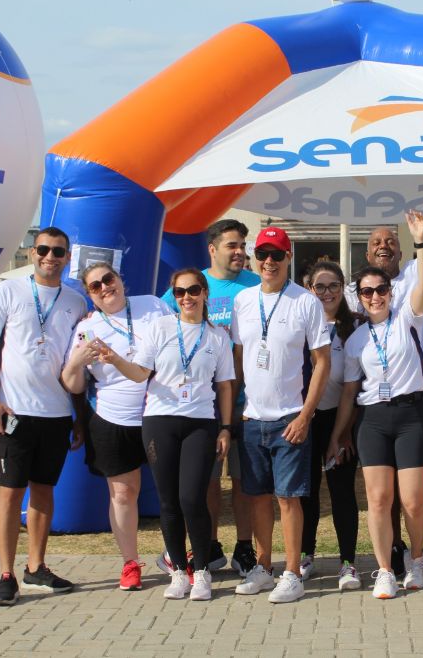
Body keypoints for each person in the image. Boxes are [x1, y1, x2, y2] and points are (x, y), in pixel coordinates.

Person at [344, 149, 423, 582]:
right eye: (376, 242)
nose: (383, 246)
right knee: (383, 490)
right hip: (374, 401)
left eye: (389, 241)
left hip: (419, 394)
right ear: (367, 253)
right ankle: (392, 555)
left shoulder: (417, 272)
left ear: (400, 249)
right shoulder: (355, 293)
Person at [100, 268, 234, 601]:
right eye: (179, 292)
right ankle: (178, 572)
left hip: (200, 423)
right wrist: (114, 359)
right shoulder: (160, 328)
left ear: (204, 293)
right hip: (160, 421)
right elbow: (139, 373)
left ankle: (201, 571)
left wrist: (226, 428)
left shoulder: (217, 336)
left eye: (193, 290)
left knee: (192, 498)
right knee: (168, 501)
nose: (186, 298)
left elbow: (225, 386)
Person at [0, 226, 88, 606]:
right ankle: (6, 574)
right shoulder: (8, 291)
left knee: (44, 489)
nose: (49, 257)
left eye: (57, 251)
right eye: (43, 249)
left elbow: (76, 364)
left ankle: (36, 566)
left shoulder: (76, 302)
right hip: (14, 412)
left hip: (56, 413)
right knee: (10, 492)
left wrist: (79, 416)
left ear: (67, 258)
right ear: (31, 252)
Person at [331, 210, 423, 600]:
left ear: (391, 293)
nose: (375, 297)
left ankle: (417, 560)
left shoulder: (409, 319)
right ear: (359, 297)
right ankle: (385, 570)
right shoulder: (356, 340)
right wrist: (339, 434)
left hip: (410, 416)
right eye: (367, 292)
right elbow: (348, 394)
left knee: (413, 500)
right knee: (377, 499)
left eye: (381, 291)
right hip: (372, 420)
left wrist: (420, 241)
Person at [231, 226, 331, 603]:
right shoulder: (243, 300)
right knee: (257, 496)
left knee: (288, 499)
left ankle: (292, 573)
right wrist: (240, 407)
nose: (269, 262)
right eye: (263, 254)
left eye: (277, 255)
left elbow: (322, 362)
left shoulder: (305, 302)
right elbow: (239, 358)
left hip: (290, 418)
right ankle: (263, 567)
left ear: (289, 257)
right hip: (252, 419)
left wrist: (306, 415)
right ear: (255, 258)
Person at [159, 219, 261, 577]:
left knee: (245, 481)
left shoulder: (256, 284)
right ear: (212, 249)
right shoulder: (192, 285)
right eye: (233, 245)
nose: (240, 252)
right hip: (200, 407)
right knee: (206, 481)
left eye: (243, 245)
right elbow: (153, 321)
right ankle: (210, 545)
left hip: (247, 402)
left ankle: (244, 547)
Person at [60, 263, 170, 592]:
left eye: (108, 279)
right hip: (113, 419)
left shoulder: (152, 305)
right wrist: (76, 362)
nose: (105, 287)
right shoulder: (87, 329)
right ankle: (130, 563)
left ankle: (175, 557)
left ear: (120, 278)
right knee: (123, 493)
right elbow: (74, 384)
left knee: (172, 490)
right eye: (95, 286)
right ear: (90, 295)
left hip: (161, 414)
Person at [299, 261, 361, 591]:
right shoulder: (300, 325)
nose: (327, 293)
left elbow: (355, 388)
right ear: (309, 290)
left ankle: (348, 562)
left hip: (341, 419)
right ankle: (305, 555)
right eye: (320, 287)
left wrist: (343, 432)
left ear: (342, 288)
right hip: (304, 420)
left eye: (334, 285)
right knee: (305, 492)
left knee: (342, 493)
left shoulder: (355, 327)